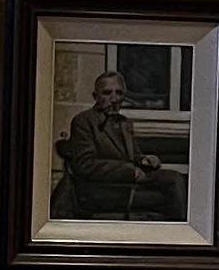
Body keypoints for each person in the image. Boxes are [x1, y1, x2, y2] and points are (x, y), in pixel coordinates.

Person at [55, 67, 177, 218]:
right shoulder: (84, 121)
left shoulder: (125, 123)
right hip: (102, 189)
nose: (114, 99)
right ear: (96, 96)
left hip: (126, 185)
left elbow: (133, 155)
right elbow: (86, 165)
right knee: (168, 197)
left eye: (119, 93)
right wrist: (128, 171)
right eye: (107, 93)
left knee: (175, 179)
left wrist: (144, 159)